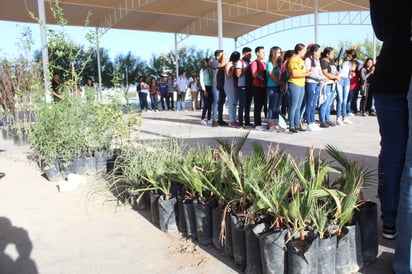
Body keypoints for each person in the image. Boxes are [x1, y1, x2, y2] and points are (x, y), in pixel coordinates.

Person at [369, 1, 412, 273]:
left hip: (387, 74)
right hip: (405, 72)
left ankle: (391, 221)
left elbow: (382, 32)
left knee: (392, 152)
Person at [287, 43, 312, 133]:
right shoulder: (293, 59)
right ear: (299, 50)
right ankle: (291, 125)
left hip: (301, 84)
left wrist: (308, 71)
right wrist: (307, 74)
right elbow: (294, 74)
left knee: (298, 106)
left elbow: (302, 71)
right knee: (293, 106)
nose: (305, 52)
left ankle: (297, 124)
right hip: (294, 83)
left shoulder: (301, 60)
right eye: (304, 50)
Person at [304, 44, 327, 131]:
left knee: (314, 103)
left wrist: (323, 77)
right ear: (314, 52)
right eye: (318, 51)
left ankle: (313, 121)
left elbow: (319, 71)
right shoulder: (308, 59)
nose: (320, 52)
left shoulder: (317, 60)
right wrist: (320, 78)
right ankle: (308, 122)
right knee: (309, 103)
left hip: (317, 83)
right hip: (311, 83)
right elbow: (309, 72)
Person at [319, 47, 340, 128]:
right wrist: (335, 77)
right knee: (324, 102)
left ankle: (327, 119)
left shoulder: (331, 61)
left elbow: (336, 71)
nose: (333, 55)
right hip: (326, 84)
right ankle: (322, 120)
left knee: (329, 103)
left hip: (333, 84)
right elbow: (325, 73)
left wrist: (337, 76)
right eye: (332, 53)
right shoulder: (323, 61)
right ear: (327, 54)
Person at [266, 46, 285, 132]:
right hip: (272, 86)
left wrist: (282, 84)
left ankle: (276, 123)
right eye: (277, 52)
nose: (279, 54)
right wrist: (279, 82)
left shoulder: (280, 64)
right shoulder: (269, 63)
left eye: (280, 52)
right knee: (272, 106)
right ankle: (271, 124)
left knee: (277, 107)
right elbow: (271, 75)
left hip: (279, 86)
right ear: (272, 53)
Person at [249, 46, 267, 131]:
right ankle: (257, 123)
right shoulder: (254, 63)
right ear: (257, 53)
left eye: (264, 52)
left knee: (263, 105)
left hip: (263, 87)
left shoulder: (264, 63)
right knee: (257, 106)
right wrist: (262, 73)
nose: (264, 53)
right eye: (262, 52)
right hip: (257, 87)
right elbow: (253, 74)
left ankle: (261, 123)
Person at [335, 50, 354, 125]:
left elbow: (359, 63)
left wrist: (351, 74)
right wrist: (348, 50)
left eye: (350, 57)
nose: (349, 58)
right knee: (340, 99)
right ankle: (338, 117)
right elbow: (342, 50)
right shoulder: (340, 60)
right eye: (348, 56)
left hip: (347, 80)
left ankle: (344, 117)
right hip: (340, 79)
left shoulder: (349, 63)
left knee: (345, 100)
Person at [235, 47, 252, 128]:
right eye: (248, 54)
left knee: (248, 105)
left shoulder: (250, 62)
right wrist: (247, 68)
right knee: (242, 105)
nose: (250, 55)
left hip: (249, 86)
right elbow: (238, 74)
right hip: (242, 86)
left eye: (251, 54)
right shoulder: (239, 62)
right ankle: (240, 122)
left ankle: (247, 122)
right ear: (244, 54)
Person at [224, 51, 241, 128]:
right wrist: (233, 69)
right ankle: (232, 121)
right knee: (231, 104)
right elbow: (228, 75)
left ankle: (234, 120)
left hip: (235, 85)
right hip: (229, 85)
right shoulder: (229, 64)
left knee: (234, 104)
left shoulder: (235, 64)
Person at [211, 50, 226, 126]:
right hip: (215, 86)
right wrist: (224, 57)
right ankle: (214, 120)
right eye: (221, 55)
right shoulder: (214, 62)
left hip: (222, 87)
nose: (223, 56)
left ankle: (220, 120)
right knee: (216, 103)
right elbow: (222, 65)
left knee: (221, 104)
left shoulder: (221, 63)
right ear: (217, 56)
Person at [199, 58, 213, 126]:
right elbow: (201, 81)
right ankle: (202, 118)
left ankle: (209, 118)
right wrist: (204, 90)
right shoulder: (202, 70)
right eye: (209, 62)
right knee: (206, 104)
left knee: (210, 104)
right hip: (205, 88)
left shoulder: (211, 69)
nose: (210, 63)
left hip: (211, 87)